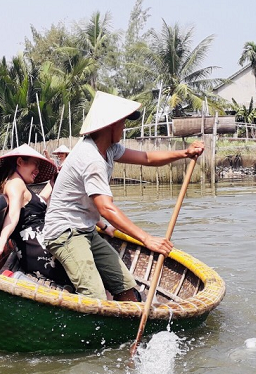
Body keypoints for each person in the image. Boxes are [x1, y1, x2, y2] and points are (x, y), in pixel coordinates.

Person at [43, 91, 204, 301]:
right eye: (122, 123)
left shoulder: (109, 149)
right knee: (95, 296)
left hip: (86, 230)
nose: (125, 127)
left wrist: (183, 153)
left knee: (129, 290)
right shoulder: (91, 158)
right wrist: (147, 239)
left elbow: (147, 157)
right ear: (110, 125)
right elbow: (106, 209)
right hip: (64, 233)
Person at [0, 144, 70, 285]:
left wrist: (52, 183)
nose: (37, 170)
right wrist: (2, 239)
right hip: (41, 252)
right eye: (35, 165)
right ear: (20, 162)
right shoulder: (16, 184)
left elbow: (35, 206)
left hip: (32, 252)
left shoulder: (10, 184)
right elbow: (12, 215)